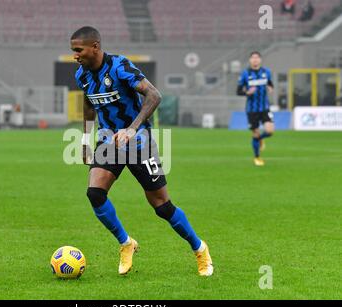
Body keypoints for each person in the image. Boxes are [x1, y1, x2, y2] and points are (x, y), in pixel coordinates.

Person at [71, 26, 213, 276]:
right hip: (108, 143)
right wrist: (84, 139)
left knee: (162, 206)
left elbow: (154, 95)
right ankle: (126, 243)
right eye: (73, 51)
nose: (75, 55)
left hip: (139, 143)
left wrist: (132, 129)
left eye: (78, 50)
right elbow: (89, 103)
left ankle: (199, 248)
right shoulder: (82, 75)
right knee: (95, 193)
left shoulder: (119, 66)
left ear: (95, 47)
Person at [237, 51, 275, 166]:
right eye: (253, 58)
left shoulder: (266, 72)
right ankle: (257, 157)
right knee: (255, 133)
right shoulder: (245, 74)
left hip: (264, 108)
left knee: (269, 131)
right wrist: (247, 92)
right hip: (251, 109)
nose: (255, 59)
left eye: (257, 57)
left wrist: (270, 88)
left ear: (260, 60)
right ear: (250, 60)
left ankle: (259, 139)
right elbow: (238, 91)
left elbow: (270, 84)